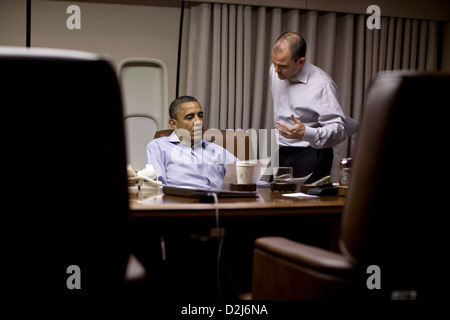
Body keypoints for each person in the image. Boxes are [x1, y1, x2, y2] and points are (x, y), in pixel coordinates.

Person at [270, 31, 358, 183]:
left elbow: (339, 129)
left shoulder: (321, 85)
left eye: (283, 66)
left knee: (306, 205)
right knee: (274, 201)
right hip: (282, 151)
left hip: (311, 154)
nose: (277, 70)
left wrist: (306, 132)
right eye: (274, 63)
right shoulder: (275, 70)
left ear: (301, 62)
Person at [145, 96, 238, 189]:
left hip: (219, 201)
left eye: (200, 116)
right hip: (181, 201)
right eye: (189, 117)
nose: (198, 122)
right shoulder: (158, 147)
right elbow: (156, 187)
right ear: (173, 124)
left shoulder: (216, 150)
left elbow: (245, 175)